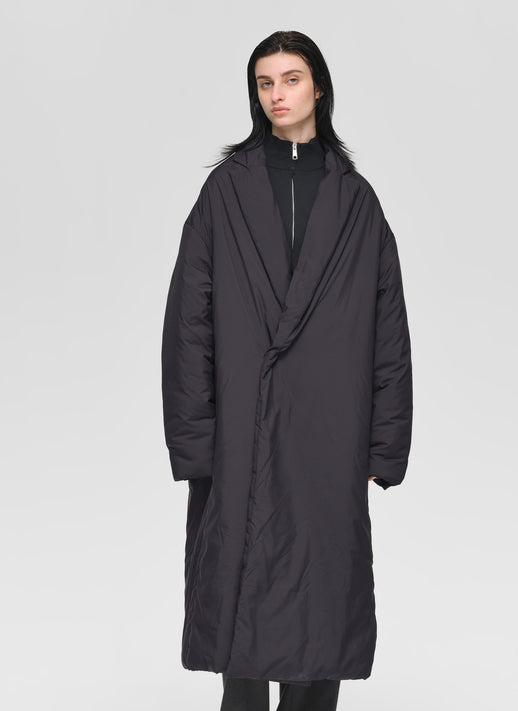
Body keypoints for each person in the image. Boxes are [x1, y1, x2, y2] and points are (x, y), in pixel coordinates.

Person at [161, 30, 413, 711]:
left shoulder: (356, 201)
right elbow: (187, 324)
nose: (277, 94)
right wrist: (196, 442)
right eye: (264, 83)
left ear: (318, 87)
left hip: (329, 432)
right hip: (240, 429)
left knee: (320, 603)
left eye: (290, 79)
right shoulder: (225, 192)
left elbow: (388, 331)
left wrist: (383, 446)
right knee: (239, 598)